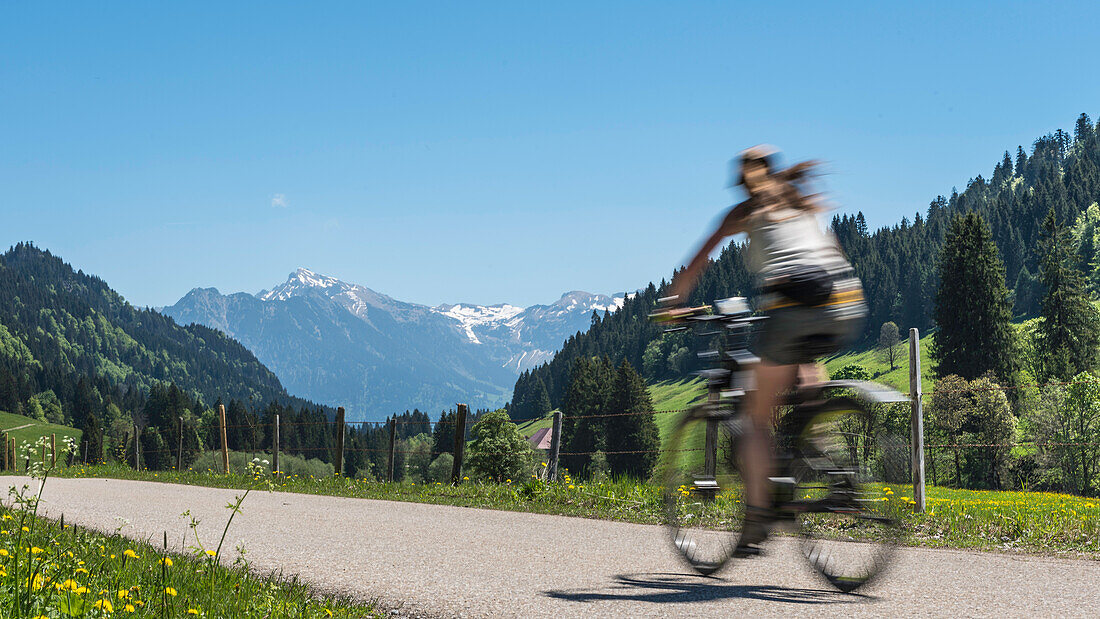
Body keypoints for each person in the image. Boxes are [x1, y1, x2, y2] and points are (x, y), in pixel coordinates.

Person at [660, 145, 866, 554]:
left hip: (791, 308)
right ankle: (834, 469)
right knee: (806, 373)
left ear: (743, 181)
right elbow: (834, 252)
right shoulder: (805, 199)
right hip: (843, 303)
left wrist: (673, 303)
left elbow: (699, 260)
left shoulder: (744, 211)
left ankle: (756, 520)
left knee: (753, 418)